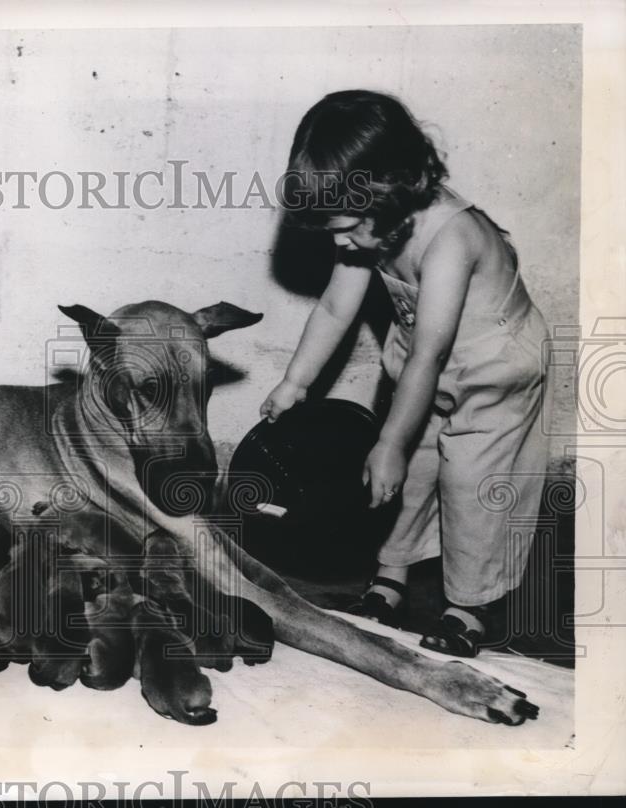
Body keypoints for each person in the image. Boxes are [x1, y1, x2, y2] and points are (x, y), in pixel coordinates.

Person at [260, 90, 550, 657]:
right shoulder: (370, 226)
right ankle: (389, 578)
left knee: (471, 484)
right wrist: (295, 382)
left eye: (345, 228)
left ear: (387, 194)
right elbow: (335, 309)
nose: (339, 243)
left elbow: (431, 355)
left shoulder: (452, 238)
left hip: (493, 370)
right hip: (425, 363)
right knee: (403, 478)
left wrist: (392, 439)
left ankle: (468, 606)